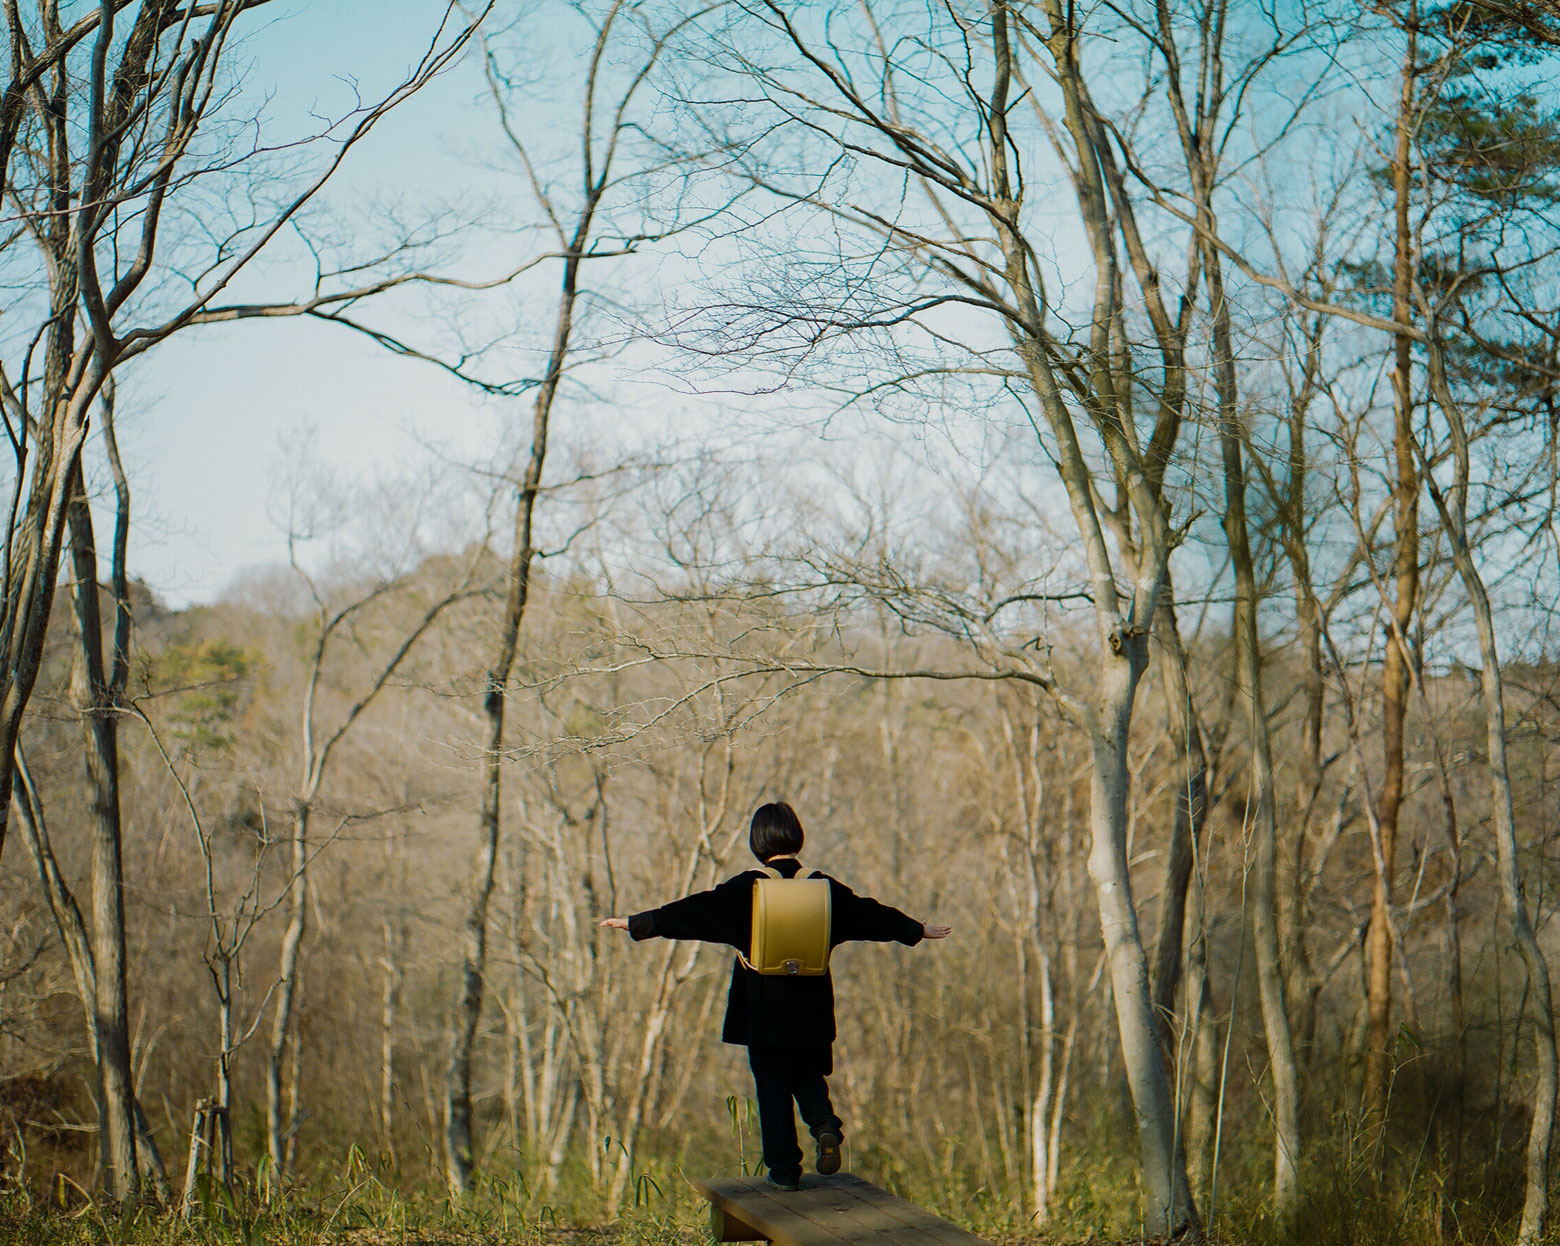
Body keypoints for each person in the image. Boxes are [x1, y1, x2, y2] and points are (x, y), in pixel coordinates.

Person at [599, 800, 951, 1191]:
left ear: (757, 841)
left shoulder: (745, 889)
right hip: (813, 1008)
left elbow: (693, 911)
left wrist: (638, 923)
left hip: (763, 1009)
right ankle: (825, 1124)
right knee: (808, 1072)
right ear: (796, 837)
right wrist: (915, 929)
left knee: (772, 1086)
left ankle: (785, 1172)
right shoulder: (824, 888)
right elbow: (870, 914)